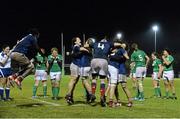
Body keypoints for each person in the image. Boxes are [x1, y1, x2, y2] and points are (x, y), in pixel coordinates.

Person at [84, 36, 122, 107]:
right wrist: (120, 45)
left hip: (94, 60)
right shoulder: (108, 43)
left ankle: (93, 94)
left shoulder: (95, 43)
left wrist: (87, 44)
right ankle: (102, 96)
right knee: (102, 80)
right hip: (103, 61)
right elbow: (117, 44)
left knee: (94, 79)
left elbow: (85, 45)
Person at [65, 37, 89, 104]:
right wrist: (85, 48)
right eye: (79, 39)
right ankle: (68, 94)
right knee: (73, 80)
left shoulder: (76, 47)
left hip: (78, 66)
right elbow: (80, 48)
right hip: (75, 65)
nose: (80, 40)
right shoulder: (76, 46)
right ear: (75, 42)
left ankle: (70, 98)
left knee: (75, 83)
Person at [108, 43, 132, 107]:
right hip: (116, 70)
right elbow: (111, 52)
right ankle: (118, 101)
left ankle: (130, 101)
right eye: (122, 44)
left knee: (124, 87)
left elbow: (127, 57)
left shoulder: (123, 50)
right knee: (115, 87)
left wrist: (122, 56)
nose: (122, 45)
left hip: (121, 71)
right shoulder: (118, 50)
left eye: (124, 45)